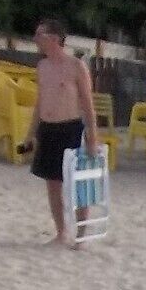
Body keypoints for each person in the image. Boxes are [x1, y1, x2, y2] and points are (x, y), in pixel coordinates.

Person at [28, 21, 99, 245]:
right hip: (48, 128)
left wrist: (92, 137)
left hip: (70, 127)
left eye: (40, 35)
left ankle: (81, 234)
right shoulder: (42, 66)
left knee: (78, 183)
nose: (36, 39)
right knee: (52, 183)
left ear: (55, 38)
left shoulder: (76, 66)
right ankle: (61, 232)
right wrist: (31, 133)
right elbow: (40, 102)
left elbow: (88, 105)